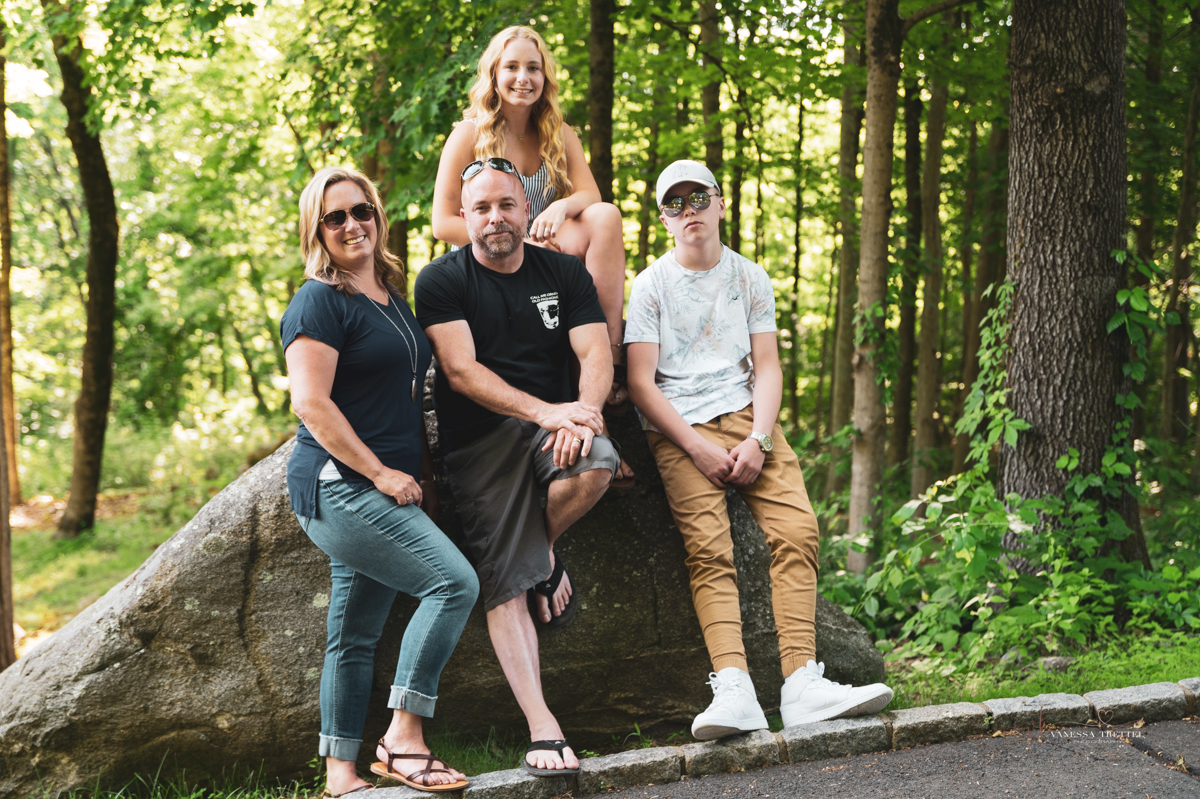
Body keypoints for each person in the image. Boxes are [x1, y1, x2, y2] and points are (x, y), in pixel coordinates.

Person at [624, 160, 894, 741]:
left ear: (721, 204)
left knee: (798, 532)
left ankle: (801, 682)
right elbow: (642, 383)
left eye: (698, 198)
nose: (688, 210)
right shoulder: (649, 286)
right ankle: (734, 686)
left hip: (748, 417)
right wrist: (694, 447)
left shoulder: (750, 277)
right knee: (710, 551)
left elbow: (767, 367)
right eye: (675, 204)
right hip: (679, 429)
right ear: (665, 219)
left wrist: (759, 439)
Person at [415, 159, 618, 776]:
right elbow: (461, 373)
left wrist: (582, 414)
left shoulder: (561, 270)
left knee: (598, 463)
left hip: (552, 426)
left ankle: (537, 552)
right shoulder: (441, 280)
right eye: (480, 208)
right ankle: (542, 724)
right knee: (502, 579)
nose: (495, 218)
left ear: (528, 210)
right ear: (464, 218)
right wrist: (550, 413)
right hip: (480, 441)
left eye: (506, 205)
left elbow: (594, 348)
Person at [282, 166, 478, 794]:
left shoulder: (392, 296)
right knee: (453, 583)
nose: (351, 225)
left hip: (380, 483)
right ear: (318, 229)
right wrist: (382, 473)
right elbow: (310, 403)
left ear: (377, 216)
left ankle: (340, 772)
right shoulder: (318, 299)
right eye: (334, 217)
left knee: (354, 633)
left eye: (360, 211)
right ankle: (403, 737)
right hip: (339, 484)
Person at [432, 27, 636, 494]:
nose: (523, 78)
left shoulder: (557, 133)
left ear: (545, 76)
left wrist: (562, 206)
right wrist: (510, 238)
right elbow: (442, 222)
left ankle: (613, 357)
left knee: (604, 216)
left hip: (541, 247)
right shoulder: (470, 134)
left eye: (533, 68)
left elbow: (591, 193)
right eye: (512, 67)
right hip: (488, 257)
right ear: (493, 74)